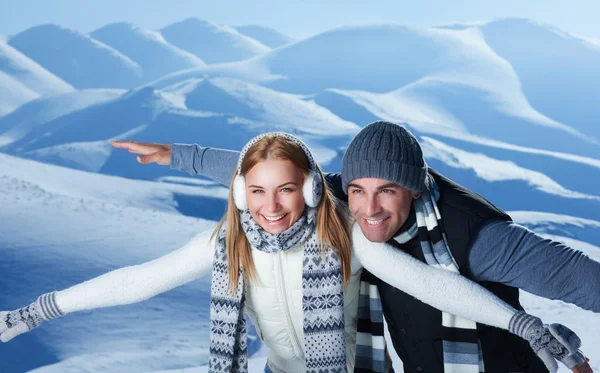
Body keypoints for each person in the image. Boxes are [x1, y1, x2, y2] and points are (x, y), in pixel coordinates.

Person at [110, 121, 600, 373]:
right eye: (359, 190)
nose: (369, 210)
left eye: (387, 190)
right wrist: (178, 155)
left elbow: (583, 279)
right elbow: (265, 179)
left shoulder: (474, 237)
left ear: (414, 188)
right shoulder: (339, 200)